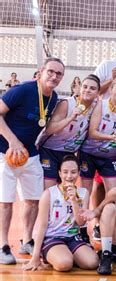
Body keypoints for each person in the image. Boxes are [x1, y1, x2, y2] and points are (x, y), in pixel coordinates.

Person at [0, 57, 65, 264]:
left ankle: (27, 240)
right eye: (51, 72)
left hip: (30, 155)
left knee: (33, 200)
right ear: (41, 71)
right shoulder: (22, 90)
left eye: (59, 74)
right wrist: (13, 141)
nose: (54, 76)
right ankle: (3, 246)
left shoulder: (53, 98)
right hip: (5, 153)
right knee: (5, 202)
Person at [23, 155, 99, 272]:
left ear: (78, 173)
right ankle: (54, 254)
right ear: (59, 173)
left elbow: (81, 222)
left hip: (73, 237)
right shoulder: (49, 194)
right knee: (65, 264)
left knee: (92, 262)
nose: (69, 176)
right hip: (52, 238)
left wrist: (74, 199)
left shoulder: (83, 193)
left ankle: (66, 253)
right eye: (65, 172)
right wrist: (35, 256)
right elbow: (41, 226)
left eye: (73, 172)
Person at [38, 74, 100, 189]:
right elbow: (49, 129)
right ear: (80, 88)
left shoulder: (96, 107)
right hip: (50, 150)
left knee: (67, 190)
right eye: (85, 86)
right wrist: (70, 118)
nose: (88, 90)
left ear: (98, 92)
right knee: (49, 190)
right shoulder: (67, 103)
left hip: (69, 153)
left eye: (92, 88)